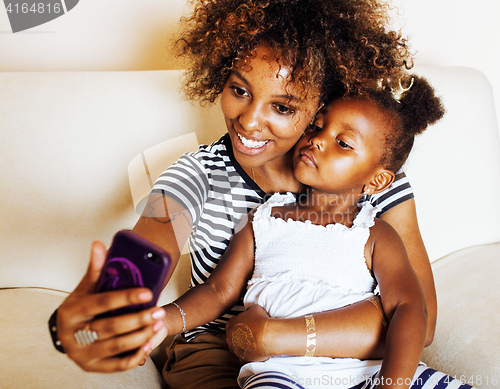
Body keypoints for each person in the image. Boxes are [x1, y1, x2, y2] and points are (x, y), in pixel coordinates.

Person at [50, 1, 438, 388]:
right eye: (239, 90)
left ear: (321, 107)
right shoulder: (198, 174)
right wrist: (106, 314)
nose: (249, 121)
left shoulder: (367, 178)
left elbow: (422, 320)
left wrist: (272, 336)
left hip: (338, 360)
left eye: (283, 107)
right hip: (216, 350)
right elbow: (151, 243)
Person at [159, 76, 474, 389]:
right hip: (283, 373)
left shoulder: (375, 234)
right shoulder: (262, 220)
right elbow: (217, 291)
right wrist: (161, 322)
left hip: (368, 371)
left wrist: (392, 384)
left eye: (343, 143)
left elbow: (409, 308)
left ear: (377, 181)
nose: (318, 140)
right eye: (316, 126)